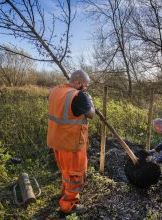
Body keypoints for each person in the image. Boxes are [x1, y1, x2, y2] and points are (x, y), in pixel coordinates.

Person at [47, 70, 95, 217]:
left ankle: (64, 192)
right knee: (75, 175)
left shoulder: (56, 90)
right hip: (71, 144)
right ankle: (69, 205)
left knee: (65, 171)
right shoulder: (78, 95)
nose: (85, 88)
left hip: (57, 141)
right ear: (78, 83)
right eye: (85, 85)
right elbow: (91, 114)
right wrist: (90, 100)